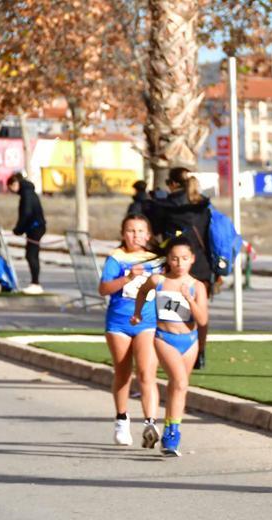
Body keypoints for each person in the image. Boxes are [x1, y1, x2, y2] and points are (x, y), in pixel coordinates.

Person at [129, 237, 208, 457]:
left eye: (184, 258)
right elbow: (143, 292)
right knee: (180, 382)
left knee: (178, 387)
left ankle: (170, 429)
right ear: (168, 260)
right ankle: (173, 435)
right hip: (164, 338)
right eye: (174, 258)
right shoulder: (158, 281)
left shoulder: (197, 286)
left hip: (189, 341)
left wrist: (188, 299)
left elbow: (202, 320)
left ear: (192, 259)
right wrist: (137, 313)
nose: (179, 263)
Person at [98, 214, 163, 448]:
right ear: (122, 233)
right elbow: (103, 289)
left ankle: (151, 423)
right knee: (123, 373)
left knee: (146, 373)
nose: (135, 235)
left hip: (147, 322)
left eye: (140, 231)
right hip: (119, 323)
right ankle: (122, 419)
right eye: (130, 230)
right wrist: (127, 277)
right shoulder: (116, 259)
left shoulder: (156, 260)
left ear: (148, 234)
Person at [144, 167, 214, 370]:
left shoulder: (168, 206)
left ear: (172, 184)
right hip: (200, 264)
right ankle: (199, 351)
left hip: (176, 265)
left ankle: (167, 346)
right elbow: (209, 236)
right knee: (200, 312)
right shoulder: (203, 204)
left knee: (171, 309)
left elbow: (155, 230)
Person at [6, 172, 45, 294]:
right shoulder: (27, 191)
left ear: (15, 183)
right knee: (31, 255)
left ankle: (36, 284)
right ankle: (34, 282)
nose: (12, 191)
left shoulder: (26, 193)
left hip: (35, 228)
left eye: (11, 188)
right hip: (34, 227)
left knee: (31, 255)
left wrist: (19, 229)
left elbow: (26, 213)